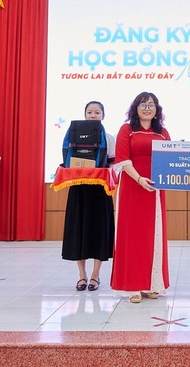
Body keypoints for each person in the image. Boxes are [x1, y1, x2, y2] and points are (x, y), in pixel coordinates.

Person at [110, 92, 171, 303]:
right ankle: (133, 286)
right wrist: (138, 179)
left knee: (153, 236)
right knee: (132, 237)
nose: (147, 108)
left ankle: (152, 284)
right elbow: (122, 160)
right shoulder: (126, 130)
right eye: (143, 104)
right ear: (135, 108)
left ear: (157, 109)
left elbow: (171, 159)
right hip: (132, 187)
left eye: (151, 105)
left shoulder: (162, 132)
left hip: (155, 189)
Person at [61, 101, 116, 292]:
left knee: (99, 231)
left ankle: (95, 275)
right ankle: (82, 275)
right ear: (84, 115)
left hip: (100, 189)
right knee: (78, 230)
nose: (93, 115)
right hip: (79, 188)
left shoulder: (109, 138)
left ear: (103, 115)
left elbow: (113, 163)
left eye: (97, 112)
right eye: (90, 112)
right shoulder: (73, 133)